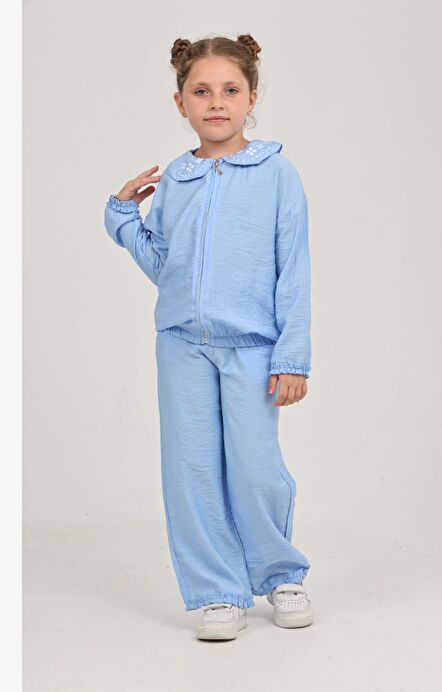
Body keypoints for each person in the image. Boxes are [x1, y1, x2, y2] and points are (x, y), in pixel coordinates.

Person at [104, 33, 314, 641]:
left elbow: (294, 269)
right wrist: (123, 217)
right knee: (192, 469)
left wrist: (292, 356)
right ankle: (217, 591)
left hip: (252, 347)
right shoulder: (177, 178)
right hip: (182, 345)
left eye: (229, 90)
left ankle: (279, 573)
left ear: (252, 97)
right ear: (181, 102)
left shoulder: (277, 174)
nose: (216, 102)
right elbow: (166, 266)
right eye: (201, 91)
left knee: (256, 468)